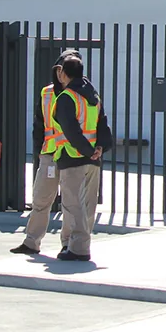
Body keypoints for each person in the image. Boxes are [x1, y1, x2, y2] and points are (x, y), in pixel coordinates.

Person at [10, 49, 79, 256]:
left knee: (70, 202)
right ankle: (32, 242)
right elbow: (39, 125)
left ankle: (68, 244)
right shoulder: (47, 92)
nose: (62, 74)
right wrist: (39, 151)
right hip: (50, 154)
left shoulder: (80, 93)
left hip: (71, 155)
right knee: (40, 199)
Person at [52, 54, 111, 262]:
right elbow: (103, 125)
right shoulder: (93, 96)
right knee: (87, 206)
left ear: (64, 74)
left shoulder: (66, 97)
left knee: (72, 205)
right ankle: (71, 244)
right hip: (93, 159)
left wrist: (86, 150)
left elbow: (70, 130)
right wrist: (99, 148)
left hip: (72, 156)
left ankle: (78, 248)